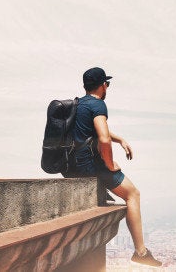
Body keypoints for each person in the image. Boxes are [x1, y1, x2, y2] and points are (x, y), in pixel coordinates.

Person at [62, 67, 161, 267]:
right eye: (107, 83)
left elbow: (96, 131)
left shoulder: (79, 104)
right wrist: (109, 164)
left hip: (72, 165)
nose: (107, 87)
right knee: (133, 193)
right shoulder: (98, 105)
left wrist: (121, 140)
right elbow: (104, 138)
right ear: (102, 85)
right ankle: (140, 252)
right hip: (90, 166)